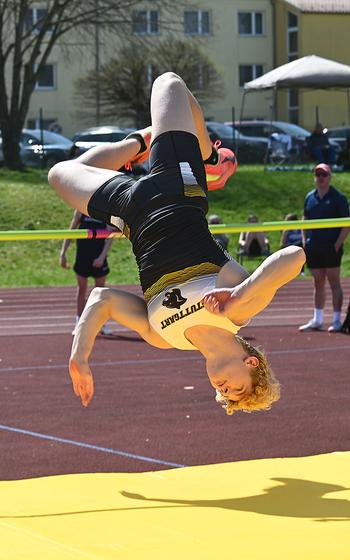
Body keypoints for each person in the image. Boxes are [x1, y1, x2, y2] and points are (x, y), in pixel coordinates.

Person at [48, 72, 305, 415]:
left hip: (131, 211)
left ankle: (141, 142)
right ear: (252, 363)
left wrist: (80, 354)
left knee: (60, 173)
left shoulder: (163, 338)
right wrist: (239, 294)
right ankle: (209, 158)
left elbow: (103, 299)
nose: (227, 391)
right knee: (168, 84)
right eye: (239, 389)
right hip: (178, 188)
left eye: (227, 397)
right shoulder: (237, 311)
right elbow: (294, 256)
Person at [299, 163, 349, 333]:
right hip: (314, 246)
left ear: (330, 177)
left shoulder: (338, 198)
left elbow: (346, 225)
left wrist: (337, 244)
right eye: (318, 174)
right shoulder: (310, 197)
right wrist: (305, 241)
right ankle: (317, 319)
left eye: (324, 175)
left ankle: (336, 320)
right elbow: (304, 220)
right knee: (317, 282)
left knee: (334, 282)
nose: (321, 178)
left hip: (330, 247)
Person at [60, 210, 115, 335]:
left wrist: (102, 257)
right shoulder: (80, 211)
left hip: (98, 257)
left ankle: (101, 324)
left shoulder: (103, 212)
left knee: (100, 293)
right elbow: (70, 232)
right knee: (82, 289)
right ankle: (79, 323)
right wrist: (62, 253)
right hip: (82, 257)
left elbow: (110, 236)